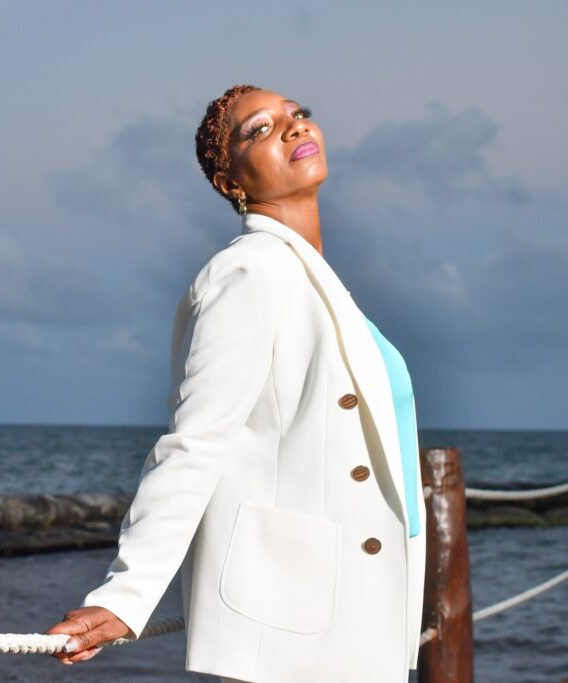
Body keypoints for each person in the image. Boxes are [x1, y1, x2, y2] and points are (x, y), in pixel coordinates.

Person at [44, 84, 428, 683]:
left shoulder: (318, 284)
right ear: (231, 181)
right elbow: (196, 441)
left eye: (298, 115)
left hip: (355, 608)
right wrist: (128, 592)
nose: (294, 127)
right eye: (260, 129)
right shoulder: (248, 271)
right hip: (298, 623)